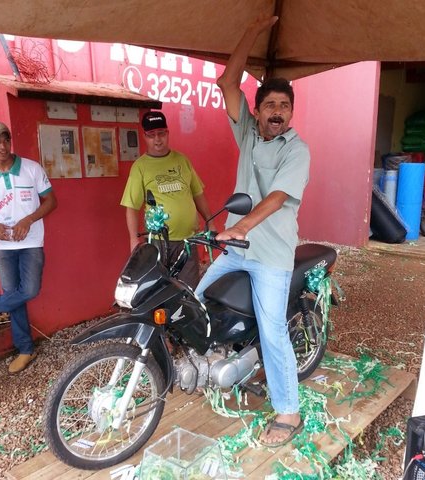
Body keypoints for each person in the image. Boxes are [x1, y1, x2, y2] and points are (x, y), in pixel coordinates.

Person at [195, 16, 310, 447]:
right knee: (194, 302)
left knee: (272, 329)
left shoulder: (298, 150)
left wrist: (239, 226)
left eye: (284, 106)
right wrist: (252, 31)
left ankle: (288, 410)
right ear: (257, 111)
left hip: (271, 254)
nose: (277, 112)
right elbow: (228, 82)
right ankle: (218, 366)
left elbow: (278, 197)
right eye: (270, 105)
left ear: (290, 113)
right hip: (235, 247)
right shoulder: (246, 132)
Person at [0, 120, 57, 374]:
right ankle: (25, 349)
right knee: (14, 297)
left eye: (6, 139)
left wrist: (28, 219)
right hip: (3, 245)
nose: (2, 145)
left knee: (29, 289)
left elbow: (51, 201)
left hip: (31, 242)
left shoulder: (31, 169)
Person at [120, 111, 215, 288]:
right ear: (145, 137)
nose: (157, 139)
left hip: (188, 240)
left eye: (161, 133)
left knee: (188, 291)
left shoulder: (182, 160)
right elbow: (131, 207)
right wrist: (134, 240)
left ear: (168, 133)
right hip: (158, 242)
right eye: (152, 135)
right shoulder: (140, 167)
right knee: (158, 291)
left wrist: (211, 222)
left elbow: (197, 194)